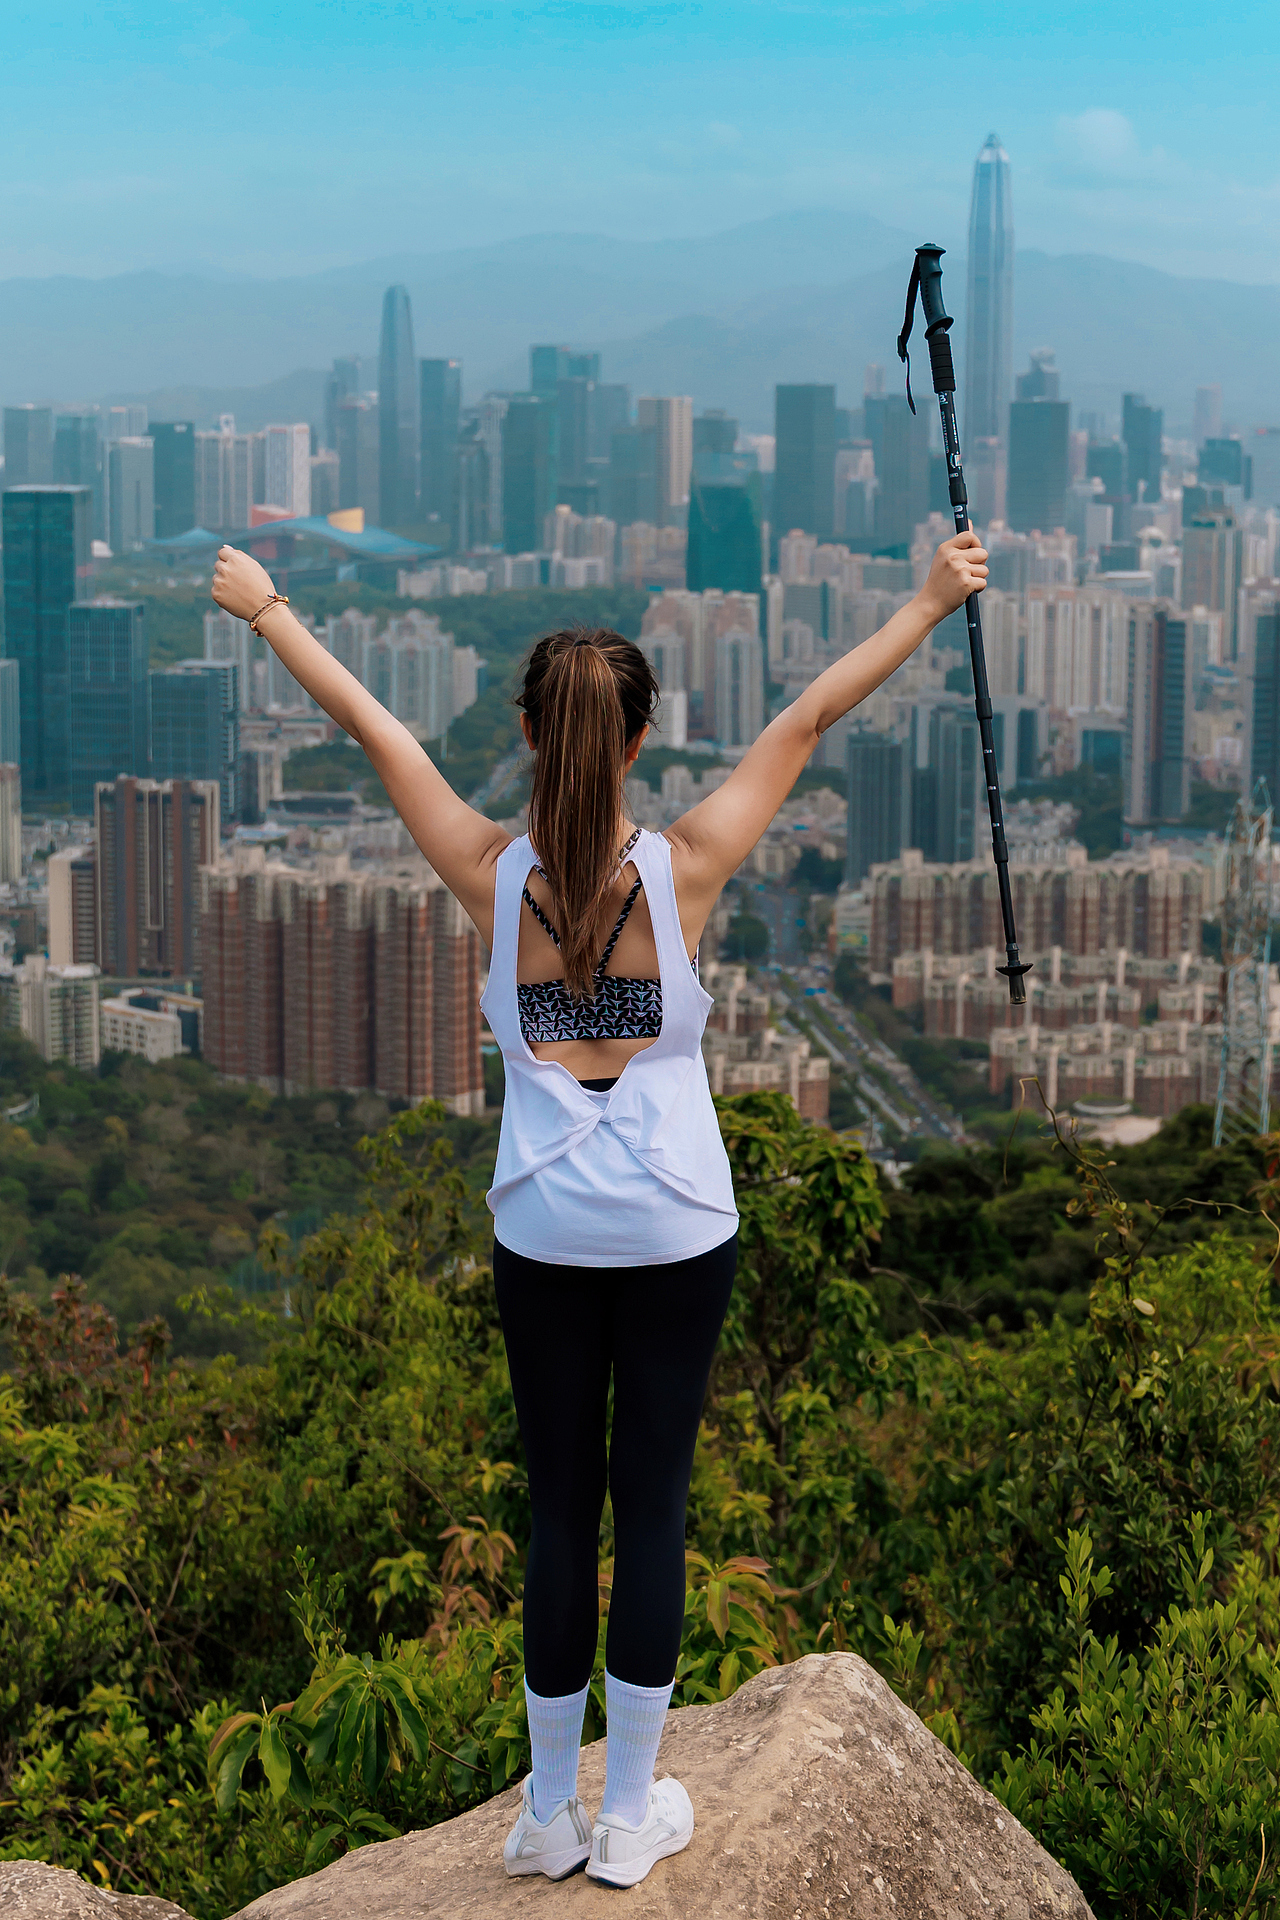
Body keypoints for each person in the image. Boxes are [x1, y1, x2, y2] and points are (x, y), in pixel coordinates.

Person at [210, 530, 987, 1888]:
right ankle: (632, 1814)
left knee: (560, 1509)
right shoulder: (687, 867)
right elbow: (810, 713)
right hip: (680, 1229)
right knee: (657, 1502)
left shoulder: (487, 873)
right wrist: (931, 597)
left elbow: (372, 721)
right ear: (638, 743)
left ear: (524, 737)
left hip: (545, 1234)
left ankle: (545, 1816)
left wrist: (268, 607)